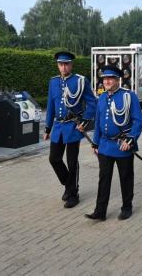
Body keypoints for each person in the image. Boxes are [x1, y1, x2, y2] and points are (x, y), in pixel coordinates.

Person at [86, 65, 142, 221]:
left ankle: (127, 207)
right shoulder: (102, 97)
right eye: (105, 78)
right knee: (104, 179)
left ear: (118, 80)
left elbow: (138, 121)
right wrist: (95, 143)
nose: (107, 81)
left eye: (110, 78)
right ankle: (100, 211)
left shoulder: (128, 96)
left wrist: (130, 139)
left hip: (122, 145)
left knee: (125, 178)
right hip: (105, 146)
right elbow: (98, 122)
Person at [44, 51, 97, 208]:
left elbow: (92, 102)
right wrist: (47, 128)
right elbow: (50, 105)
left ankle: (73, 194)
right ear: (58, 65)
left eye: (66, 64)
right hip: (58, 126)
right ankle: (70, 185)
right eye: (61, 64)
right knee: (54, 158)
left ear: (71, 65)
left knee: (72, 161)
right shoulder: (53, 82)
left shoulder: (80, 81)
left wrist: (85, 121)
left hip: (74, 126)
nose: (63, 67)